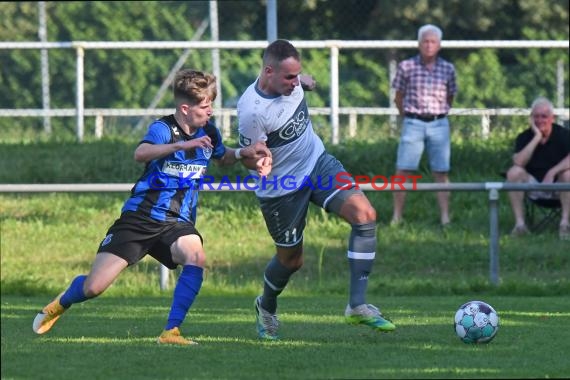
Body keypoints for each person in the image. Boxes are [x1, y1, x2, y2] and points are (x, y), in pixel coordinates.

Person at [32, 69, 272, 345]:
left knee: (196, 257)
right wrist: (182, 144)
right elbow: (140, 153)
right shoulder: (163, 129)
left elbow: (222, 157)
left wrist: (244, 153)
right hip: (140, 218)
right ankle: (63, 300)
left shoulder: (209, 130)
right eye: (205, 106)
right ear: (185, 108)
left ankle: (171, 332)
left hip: (176, 222)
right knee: (93, 287)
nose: (210, 111)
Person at [236, 39, 396, 341]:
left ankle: (357, 306)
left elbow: (299, 80)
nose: (294, 82)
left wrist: (304, 81)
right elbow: (246, 158)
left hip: (317, 163)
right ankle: (266, 306)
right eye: (289, 77)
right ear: (268, 71)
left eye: (297, 75)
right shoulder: (251, 112)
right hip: (282, 188)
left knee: (365, 215)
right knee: (291, 261)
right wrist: (258, 162)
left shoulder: (292, 82)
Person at [391, 24, 457, 227]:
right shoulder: (406, 67)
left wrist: (440, 113)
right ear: (419, 44)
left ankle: (445, 217)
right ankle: (397, 217)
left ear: (439, 45)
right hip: (413, 122)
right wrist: (407, 117)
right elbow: (398, 96)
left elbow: (451, 95)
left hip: (439, 123)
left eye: (433, 42)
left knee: (441, 171)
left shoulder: (448, 68)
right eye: (425, 41)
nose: (429, 45)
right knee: (403, 170)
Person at [506, 97, 570, 240]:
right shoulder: (524, 137)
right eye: (536, 116)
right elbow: (519, 162)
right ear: (531, 119)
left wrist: (552, 172)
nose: (540, 120)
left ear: (552, 118)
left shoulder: (564, 135)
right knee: (513, 172)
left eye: (544, 116)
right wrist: (537, 137)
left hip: (559, 187)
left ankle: (565, 224)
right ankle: (520, 225)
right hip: (534, 186)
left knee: (568, 174)